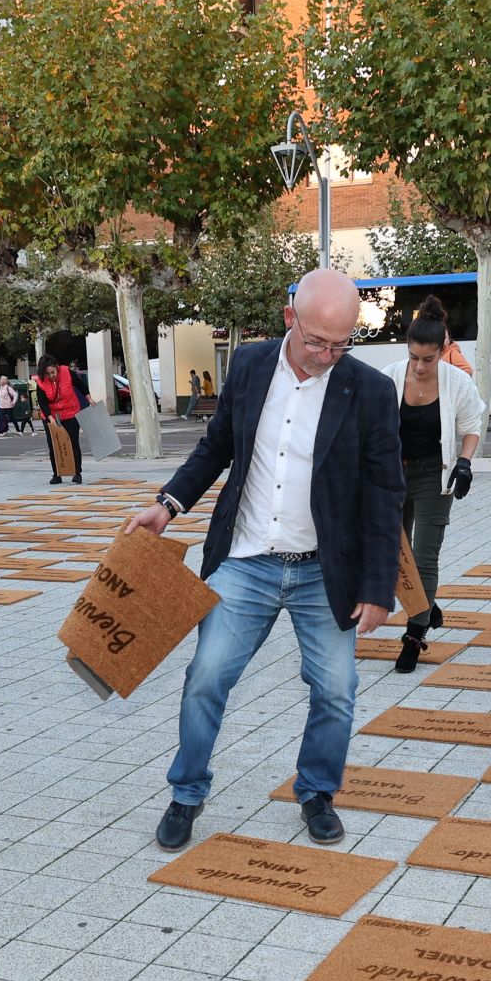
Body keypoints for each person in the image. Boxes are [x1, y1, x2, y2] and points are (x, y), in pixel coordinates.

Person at [126, 269, 405, 850]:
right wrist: (167, 505)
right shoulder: (250, 366)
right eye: (317, 342)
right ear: (290, 320)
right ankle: (186, 794)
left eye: (341, 343)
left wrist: (379, 586)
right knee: (206, 676)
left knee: (337, 687)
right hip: (246, 561)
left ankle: (317, 791)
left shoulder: (371, 392)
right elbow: (217, 446)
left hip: (322, 570)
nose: (328, 355)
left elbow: (385, 494)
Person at [390, 296, 483, 674]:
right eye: (414, 357)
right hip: (394, 474)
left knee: (426, 555)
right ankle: (427, 605)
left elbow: (471, 428)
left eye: (429, 359)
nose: (420, 366)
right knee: (398, 555)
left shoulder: (457, 382)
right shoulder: (391, 376)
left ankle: (414, 636)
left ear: (442, 351)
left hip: (434, 474)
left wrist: (464, 463)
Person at [35, 355, 85, 485]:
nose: (51, 375)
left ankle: (77, 473)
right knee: (54, 445)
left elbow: (80, 385)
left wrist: (89, 398)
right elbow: (42, 402)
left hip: (70, 412)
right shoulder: (41, 382)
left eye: (53, 372)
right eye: (48, 374)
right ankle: (57, 474)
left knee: (73, 443)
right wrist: (50, 418)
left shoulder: (66, 372)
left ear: (57, 368)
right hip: (51, 415)